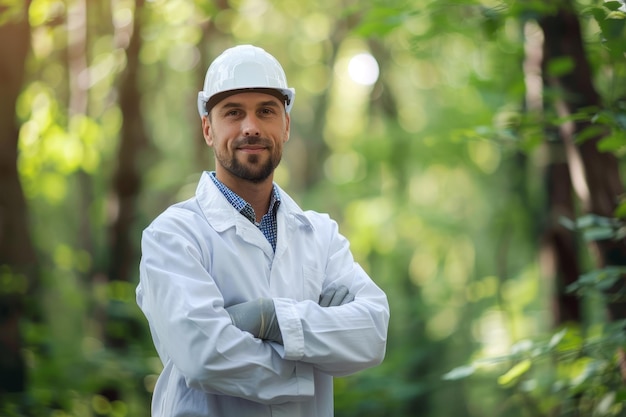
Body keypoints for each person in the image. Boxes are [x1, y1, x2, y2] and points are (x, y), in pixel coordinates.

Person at [136, 44, 390, 417]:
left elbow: (372, 333)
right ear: (208, 128)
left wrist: (268, 319)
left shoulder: (320, 235)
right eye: (233, 113)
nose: (251, 127)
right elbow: (204, 356)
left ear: (285, 126)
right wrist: (313, 354)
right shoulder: (172, 237)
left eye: (266, 111)